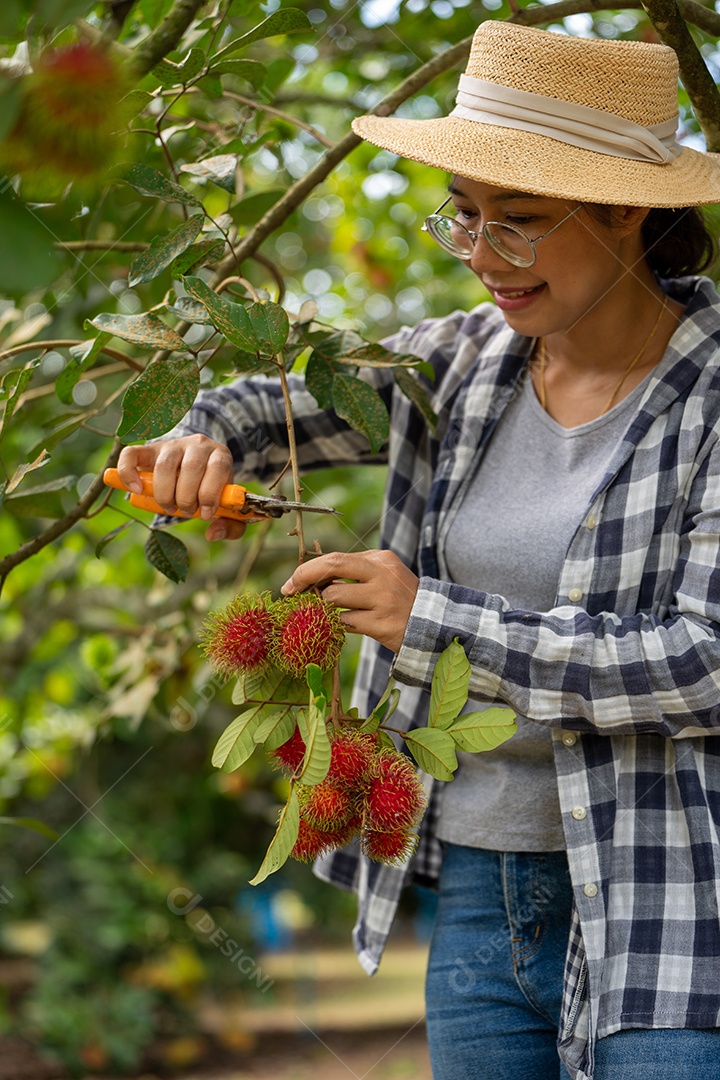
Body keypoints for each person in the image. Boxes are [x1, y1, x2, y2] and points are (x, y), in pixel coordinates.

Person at [117, 20, 720, 1080]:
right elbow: (274, 404)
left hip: (670, 902)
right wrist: (200, 439)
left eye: (520, 225)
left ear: (630, 208)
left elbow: (702, 664)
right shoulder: (457, 363)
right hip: (480, 897)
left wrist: (429, 618)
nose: (483, 258)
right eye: (466, 219)